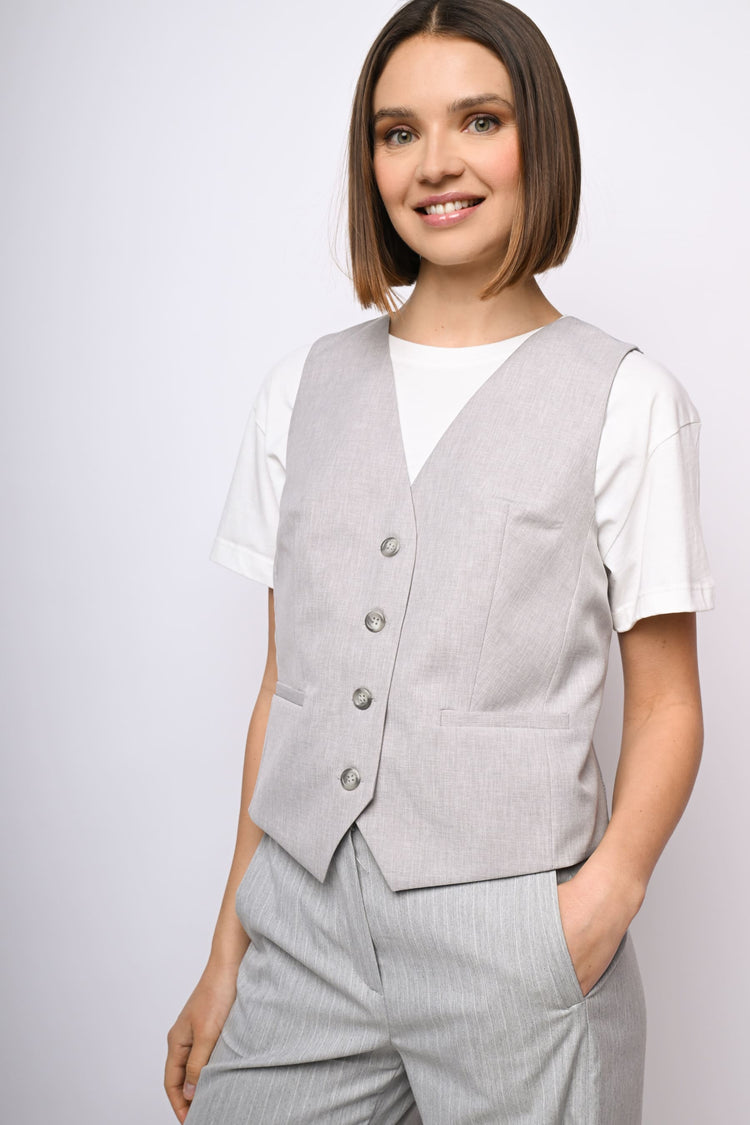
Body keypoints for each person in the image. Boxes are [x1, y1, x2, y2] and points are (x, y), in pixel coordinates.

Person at [164, 1, 715, 1121]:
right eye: (398, 132)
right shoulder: (301, 390)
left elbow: (667, 704)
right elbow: (286, 689)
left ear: (538, 142)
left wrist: (593, 912)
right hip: (302, 926)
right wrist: (229, 952)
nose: (435, 164)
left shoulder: (628, 399)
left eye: (480, 120)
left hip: (517, 940)